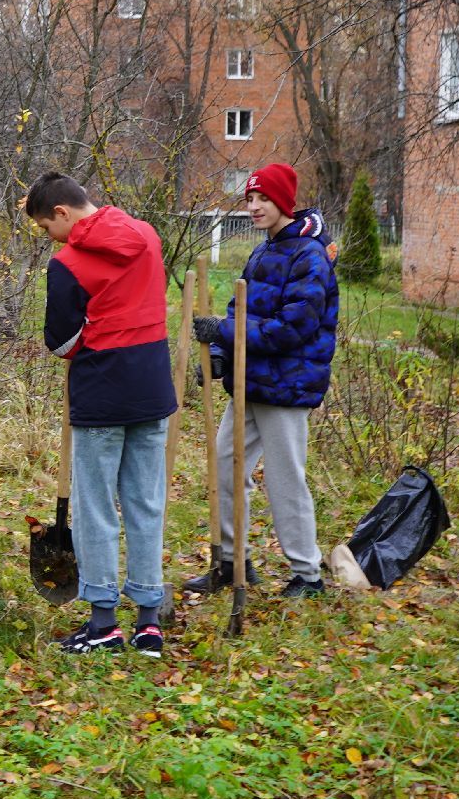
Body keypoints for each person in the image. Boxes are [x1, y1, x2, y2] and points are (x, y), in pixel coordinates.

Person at [25, 174, 177, 657]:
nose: (49, 235)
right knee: (146, 503)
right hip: (153, 386)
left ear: (64, 213)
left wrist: (93, 335)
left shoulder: (67, 263)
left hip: (102, 393)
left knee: (95, 511)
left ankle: (103, 622)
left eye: (47, 225)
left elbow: (61, 341)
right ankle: (150, 622)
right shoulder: (148, 236)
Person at [186, 162, 338, 599]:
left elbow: (295, 328)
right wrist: (218, 357)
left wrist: (225, 333)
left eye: (263, 199)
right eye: (249, 199)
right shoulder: (262, 251)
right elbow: (240, 313)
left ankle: (307, 575)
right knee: (225, 464)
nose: (253, 206)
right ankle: (234, 562)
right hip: (248, 381)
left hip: (285, 387)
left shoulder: (309, 255)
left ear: (283, 202)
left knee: (285, 478)